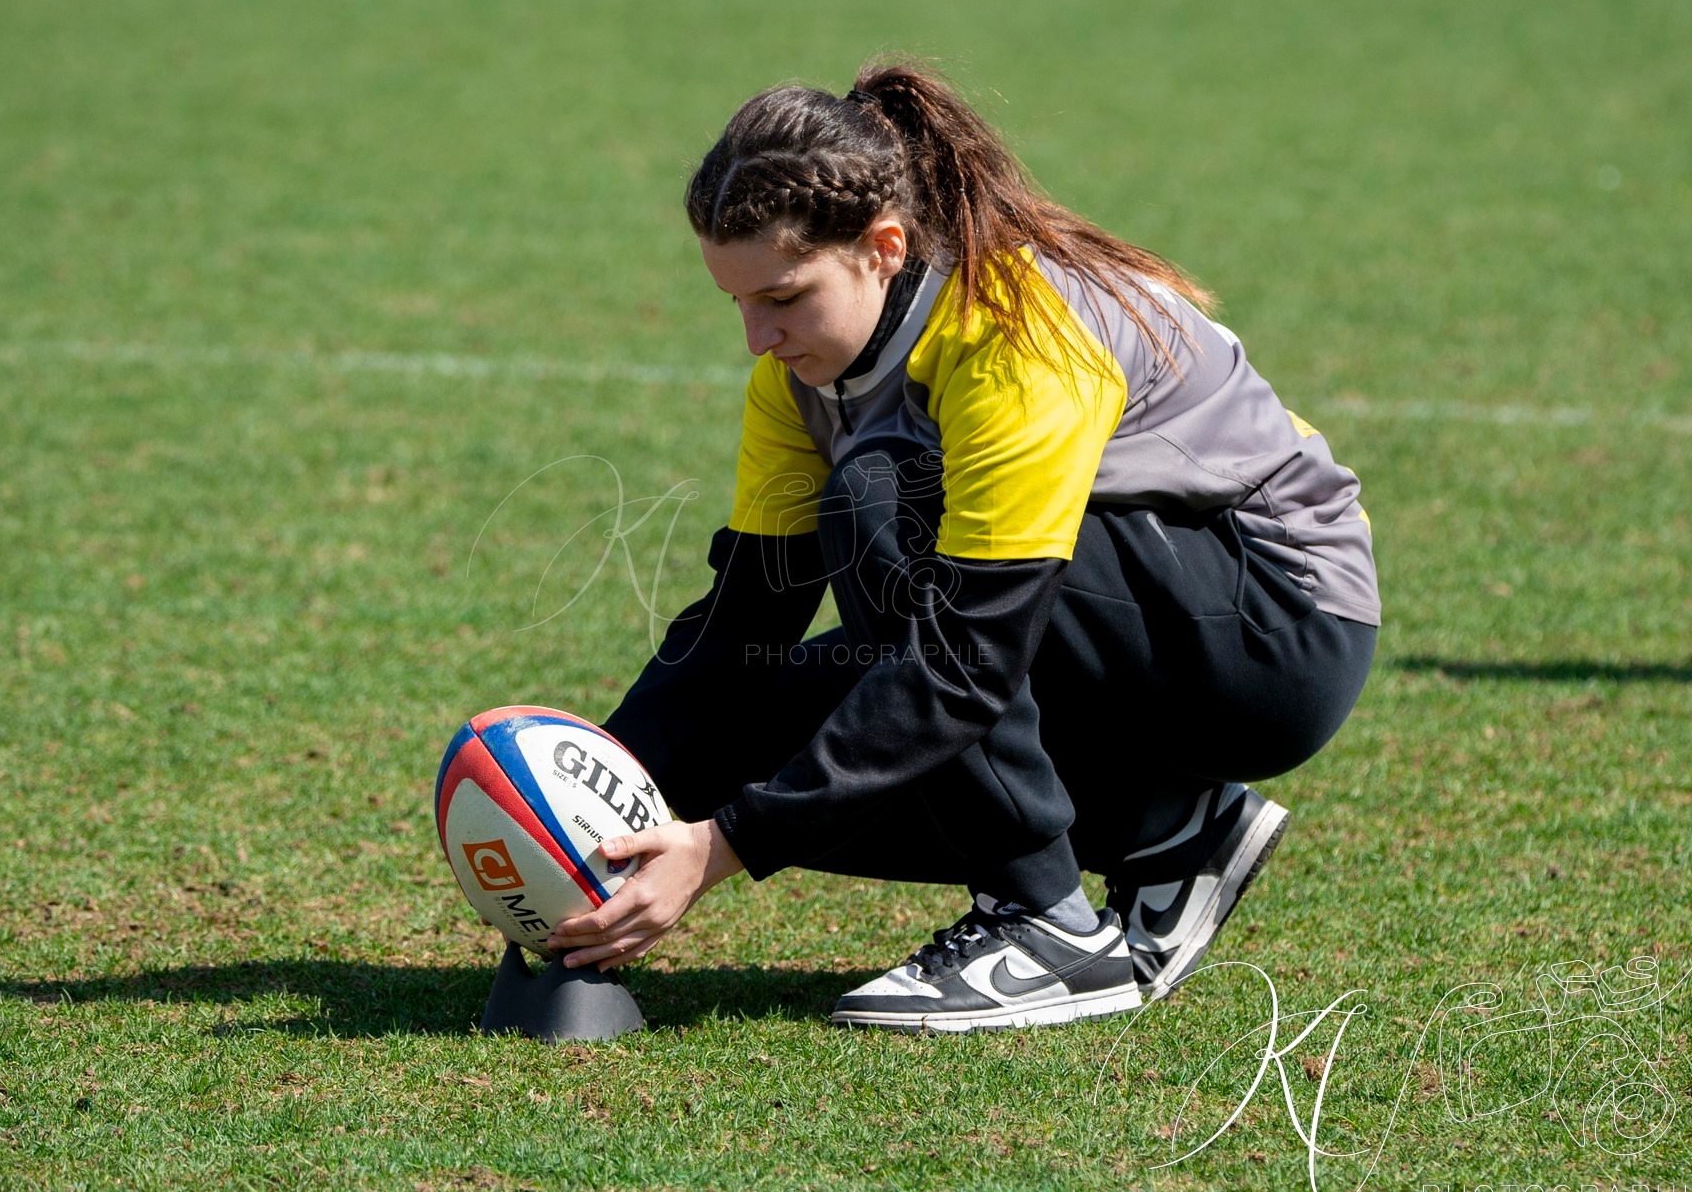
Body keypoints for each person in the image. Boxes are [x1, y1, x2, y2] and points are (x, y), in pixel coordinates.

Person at [545, 59, 1379, 1032]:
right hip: (1083, 624)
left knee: (881, 498)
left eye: (782, 296)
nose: (754, 336)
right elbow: (740, 627)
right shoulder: (796, 380)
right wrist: (585, 800)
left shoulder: (1014, 335)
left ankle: (1042, 922)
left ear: (882, 246)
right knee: (747, 733)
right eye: (735, 302)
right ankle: (1166, 828)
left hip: (1272, 629)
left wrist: (723, 847)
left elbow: (965, 654)